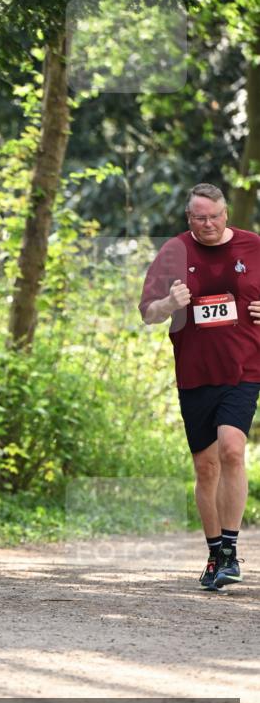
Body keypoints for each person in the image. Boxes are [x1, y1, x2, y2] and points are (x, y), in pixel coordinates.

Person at [139, 183, 260, 591]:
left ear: (226, 214)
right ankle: (214, 555)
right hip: (195, 372)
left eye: (214, 216)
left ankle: (230, 551)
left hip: (244, 368)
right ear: (189, 218)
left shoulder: (253, 246)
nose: (207, 224)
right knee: (206, 468)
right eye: (199, 218)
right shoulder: (174, 251)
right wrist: (169, 304)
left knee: (232, 449)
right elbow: (148, 313)